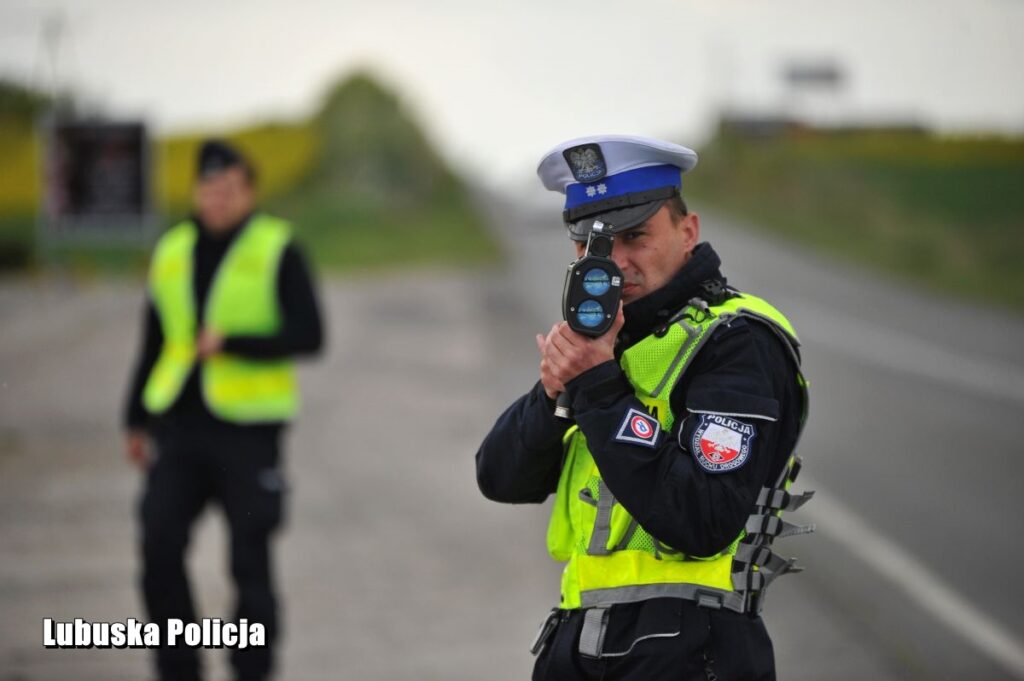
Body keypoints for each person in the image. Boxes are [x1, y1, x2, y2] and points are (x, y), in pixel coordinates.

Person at [476, 135, 813, 681]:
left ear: (688, 231)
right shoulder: (606, 341)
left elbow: (703, 518)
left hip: (691, 652)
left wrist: (603, 387)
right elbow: (500, 478)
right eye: (588, 244)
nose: (614, 263)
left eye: (635, 236)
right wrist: (551, 392)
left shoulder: (738, 340)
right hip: (576, 642)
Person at [122, 139, 324, 681]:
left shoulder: (278, 247)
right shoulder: (171, 250)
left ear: (249, 191)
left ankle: (252, 670)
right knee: (158, 546)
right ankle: (178, 667)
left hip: (249, 433)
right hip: (180, 429)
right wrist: (134, 418)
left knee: (248, 563)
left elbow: (310, 334)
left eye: (228, 189)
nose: (216, 199)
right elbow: (153, 341)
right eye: (208, 189)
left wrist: (233, 341)